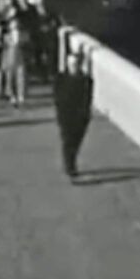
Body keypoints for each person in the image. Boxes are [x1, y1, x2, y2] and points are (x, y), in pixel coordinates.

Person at [53, 47, 93, 180]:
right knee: (67, 141)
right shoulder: (60, 78)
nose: (73, 66)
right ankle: (70, 167)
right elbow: (57, 97)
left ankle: (71, 162)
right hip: (66, 115)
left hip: (80, 117)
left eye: (75, 64)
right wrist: (60, 114)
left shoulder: (86, 80)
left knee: (76, 142)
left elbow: (88, 99)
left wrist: (85, 116)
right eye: (70, 64)